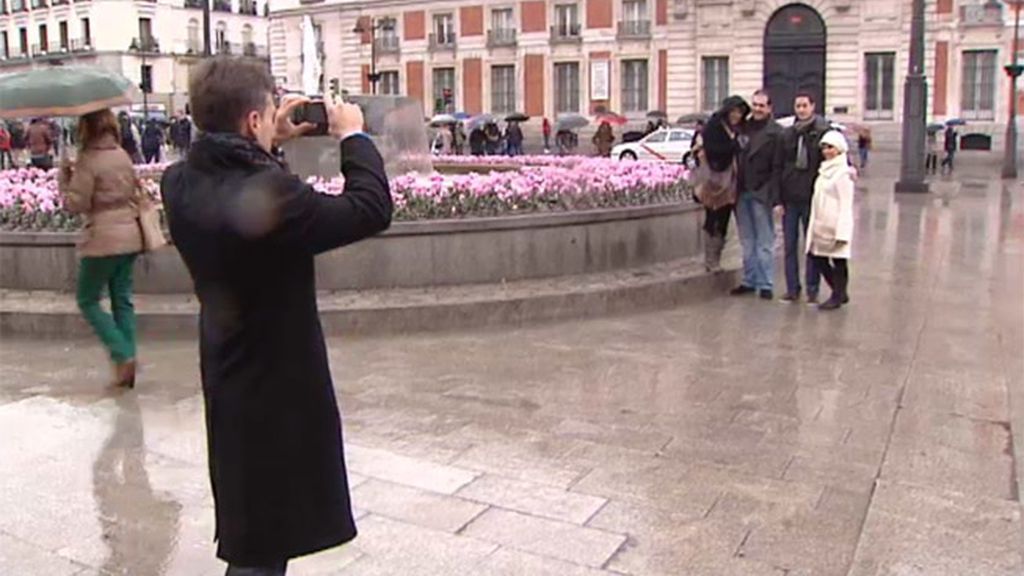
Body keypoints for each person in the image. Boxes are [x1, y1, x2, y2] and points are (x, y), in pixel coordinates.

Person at [160, 56, 392, 576]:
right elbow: (370, 207)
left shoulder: (177, 183)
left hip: (228, 370)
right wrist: (353, 137)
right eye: (267, 112)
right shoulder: (276, 197)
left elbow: (243, 189)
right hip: (278, 384)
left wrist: (273, 142)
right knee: (262, 545)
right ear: (252, 121)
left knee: (255, 524)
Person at [58, 109, 144, 387]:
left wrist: (65, 180)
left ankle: (122, 353)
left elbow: (77, 204)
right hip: (130, 234)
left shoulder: (89, 160)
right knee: (122, 298)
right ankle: (127, 360)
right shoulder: (121, 155)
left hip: (103, 238)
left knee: (87, 298)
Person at [774, 92, 829, 303]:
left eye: (804, 105)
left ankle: (812, 288)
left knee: (811, 245)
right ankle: (792, 288)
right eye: (798, 106)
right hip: (790, 197)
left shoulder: (822, 132)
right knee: (789, 245)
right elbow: (777, 167)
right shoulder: (786, 134)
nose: (801, 109)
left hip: (811, 197)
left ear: (812, 107)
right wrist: (778, 199)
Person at [731, 90, 782, 300]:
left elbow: (778, 167)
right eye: (755, 105)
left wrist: (775, 196)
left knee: (765, 241)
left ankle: (766, 283)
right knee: (747, 240)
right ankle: (749, 280)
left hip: (762, 192)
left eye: (762, 105)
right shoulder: (742, 128)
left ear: (769, 108)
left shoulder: (777, 132)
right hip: (742, 191)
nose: (757, 109)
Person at [691, 95, 749, 273]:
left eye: (740, 112)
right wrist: (734, 146)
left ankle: (716, 257)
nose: (736, 115)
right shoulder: (715, 126)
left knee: (724, 219)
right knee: (712, 217)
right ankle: (710, 259)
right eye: (734, 111)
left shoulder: (738, 128)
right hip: (714, 179)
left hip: (731, 180)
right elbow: (713, 150)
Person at [808, 130, 855, 310]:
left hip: (835, 223)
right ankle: (839, 291)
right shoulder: (824, 170)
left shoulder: (843, 173)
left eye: (831, 147)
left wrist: (842, 230)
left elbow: (846, 203)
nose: (827, 151)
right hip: (821, 223)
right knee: (818, 257)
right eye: (824, 147)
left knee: (839, 259)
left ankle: (838, 294)